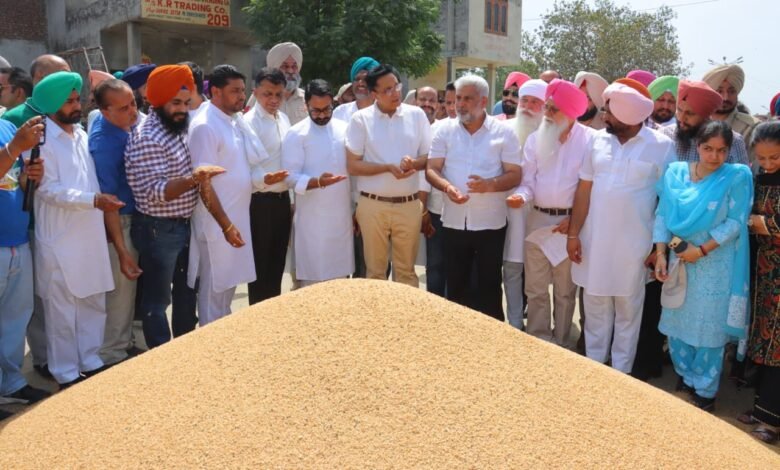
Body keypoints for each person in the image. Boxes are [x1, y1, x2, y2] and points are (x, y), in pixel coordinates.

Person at [567, 82, 675, 373]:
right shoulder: (597, 141)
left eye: (609, 112)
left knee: (628, 312)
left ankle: (621, 375)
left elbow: (668, 201)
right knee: (595, 307)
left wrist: (659, 248)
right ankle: (594, 372)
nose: (604, 116)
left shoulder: (662, 146)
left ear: (629, 115)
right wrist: (573, 234)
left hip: (636, 246)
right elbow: (584, 189)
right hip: (595, 242)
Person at [653, 120, 753, 411]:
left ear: (729, 151)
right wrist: (660, 253)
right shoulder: (675, 173)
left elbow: (735, 221)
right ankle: (686, 377)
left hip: (716, 264)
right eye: (708, 148)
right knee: (676, 323)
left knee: (708, 329)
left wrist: (702, 250)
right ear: (697, 146)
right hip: (679, 258)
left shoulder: (736, 176)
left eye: (721, 151)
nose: (714, 156)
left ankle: (705, 390)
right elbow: (662, 215)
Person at [34, 72, 123, 388]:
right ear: (51, 104)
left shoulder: (81, 134)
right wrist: (93, 200)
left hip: (89, 234)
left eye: (77, 99)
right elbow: (48, 190)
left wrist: (97, 203)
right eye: (69, 101)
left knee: (93, 299)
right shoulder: (41, 141)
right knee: (62, 311)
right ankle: (66, 373)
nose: (77, 105)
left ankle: (91, 361)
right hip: (60, 239)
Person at [125, 65, 219, 348]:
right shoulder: (147, 136)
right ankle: (161, 355)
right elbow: (156, 192)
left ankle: (184, 352)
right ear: (157, 101)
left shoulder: (179, 125)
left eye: (186, 103)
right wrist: (195, 178)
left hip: (183, 223)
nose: (182, 109)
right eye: (175, 103)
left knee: (187, 291)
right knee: (157, 300)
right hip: (158, 228)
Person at [425, 74, 522, 319]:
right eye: (458, 98)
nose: (460, 104)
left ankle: (492, 338)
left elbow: (515, 175)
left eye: (467, 99)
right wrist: (447, 187)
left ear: (483, 101)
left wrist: (490, 185)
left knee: (489, 285)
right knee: (456, 286)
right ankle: (459, 338)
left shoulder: (504, 133)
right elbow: (432, 169)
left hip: (491, 224)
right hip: (453, 221)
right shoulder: (444, 130)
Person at [513, 79, 593, 347]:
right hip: (538, 220)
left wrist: (575, 221)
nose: (545, 113)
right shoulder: (535, 139)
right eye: (546, 107)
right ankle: (539, 341)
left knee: (565, 291)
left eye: (553, 109)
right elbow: (528, 182)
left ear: (570, 113)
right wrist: (520, 196)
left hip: (570, 225)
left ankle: (562, 344)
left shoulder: (591, 141)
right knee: (535, 288)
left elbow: (592, 189)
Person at [346, 64, 431, 287]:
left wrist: (414, 163)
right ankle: (376, 312)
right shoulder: (360, 119)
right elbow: (353, 165)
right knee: (375, 273)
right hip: (372, 205)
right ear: (374, 93)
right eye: (387, 90)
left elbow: (429, 157)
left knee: (407, 273)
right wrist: (387, 168)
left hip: (409, 204)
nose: (395, 93)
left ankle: (406, 312)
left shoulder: (417, 115)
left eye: (397, 87)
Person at [188, 65, 256, 325]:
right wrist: (226, 225)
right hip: (216, 224)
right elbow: (203, 182)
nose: (242, 96)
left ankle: (223, 340)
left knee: (227, 287)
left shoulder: (232, 120)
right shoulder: (205, 126)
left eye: (243, 90)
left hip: (235, 219)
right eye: (235, 91)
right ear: (216, 92)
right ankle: (209, 344)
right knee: (213, 291)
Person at [89, 79, 144, 365]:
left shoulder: (114, 124)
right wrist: (122, 250)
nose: (133, 111)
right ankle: (112, 355)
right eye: (124, 108)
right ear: (105, 111)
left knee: (126, 292)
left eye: (133, 103)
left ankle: (123, 344)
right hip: (118, 222)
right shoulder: (105, 144)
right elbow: (108, 201)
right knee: (120, 292)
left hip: (127, 219)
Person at [282, 79, 354, 286]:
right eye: (316, 111)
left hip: (341, 216)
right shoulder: (296, 133)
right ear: (306, 106)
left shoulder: (345, 129)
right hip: (311, 219)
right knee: (312, 282)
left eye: (326, 109)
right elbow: (289, 176)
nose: (322, 115)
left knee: (340, 282)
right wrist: (317, 182)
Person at [0, 115, 50, 409]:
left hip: (17, 240)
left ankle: (11, 382)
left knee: (15, 320)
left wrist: (31, 175)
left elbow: (14, 181)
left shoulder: (7, 127)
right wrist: (15, 147)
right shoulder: (15, 136)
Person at [741, 121, 780, 443]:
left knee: (778, 346)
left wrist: (758, 222)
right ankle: (762, 409)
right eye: (762, 158)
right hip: (762, 275)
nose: (767, 164)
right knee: (764, 343)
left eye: (775, 158)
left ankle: (771, 421)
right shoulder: (757, 180)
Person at [243, 68, 292, 304]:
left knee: (277, 262)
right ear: (255, 93)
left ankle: (273, 316)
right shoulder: (248, 122)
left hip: (283, 200)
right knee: (260, 266)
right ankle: (257, 317)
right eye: (267, 94)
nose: (273, 100)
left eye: (278, 94)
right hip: (260, 202)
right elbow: (246, 165)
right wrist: (265, 179)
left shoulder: (284, 119)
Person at [504, 79, 546, 329]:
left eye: (535, 102)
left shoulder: (553, 133)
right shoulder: (504, 130)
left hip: (540, 211)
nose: (528, 107)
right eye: (525, 101)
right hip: (506, 209)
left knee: (537, 273)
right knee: (511, 267)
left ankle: (538, 325)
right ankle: (514, 323)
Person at [660, 80, 749, 165]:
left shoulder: (734, 141)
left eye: (690, 113)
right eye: (679, 110)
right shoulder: (664, 135)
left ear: (706, 116)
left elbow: (742, 174)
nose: (681, 118)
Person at [2, 54, 70, 128]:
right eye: (64, 74)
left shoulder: (70, 111)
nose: (71, 80)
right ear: (41, 75)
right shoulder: (12, 118)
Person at [702, 64, 758, 142]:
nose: (725, 98)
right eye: (719, 91)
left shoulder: (751, 127)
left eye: (731, 91)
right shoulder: (696, 123)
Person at [266, 42, 307, 124]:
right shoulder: (261, 97)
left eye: (294, 66)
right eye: (285, 66)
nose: (290, 71)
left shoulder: (307, 98)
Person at [333, 57, 380, 123]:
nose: (360, 83)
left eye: (366, 79)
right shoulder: (340, 112)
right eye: (357, 79)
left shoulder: (386, 113)